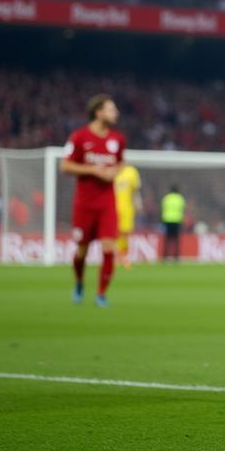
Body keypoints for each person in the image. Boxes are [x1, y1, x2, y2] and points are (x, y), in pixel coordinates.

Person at [59, 94, 125, 306]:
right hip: (84, 204)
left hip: (107, 204)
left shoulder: (118, 140)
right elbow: (65, 166)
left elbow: (121, 163)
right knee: (82, 251)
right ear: (99, 113)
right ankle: (79, 282)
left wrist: (114, 171)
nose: (116, 113)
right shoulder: (79, 137)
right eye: (111, 109)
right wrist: (95, 170)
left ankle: (101, 294)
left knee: (109, 248)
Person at [114, 162, 142, 267]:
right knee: (113, 233)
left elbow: (136, 191)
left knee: (125, 233)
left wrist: (138, 204)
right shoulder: (111, 170)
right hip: (111, 208)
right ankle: (115, 257)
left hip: (127, 208)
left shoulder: (131, 172)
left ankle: (124, 257)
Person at [161, 186, 185, 262]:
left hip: (167, 220)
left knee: (167, 239)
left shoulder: (166, 198)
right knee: (176, 240)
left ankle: (165, 256)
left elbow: (163, 208)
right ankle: (176, 257)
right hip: (177, 220)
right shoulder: (180, 198)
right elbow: (182, 209)